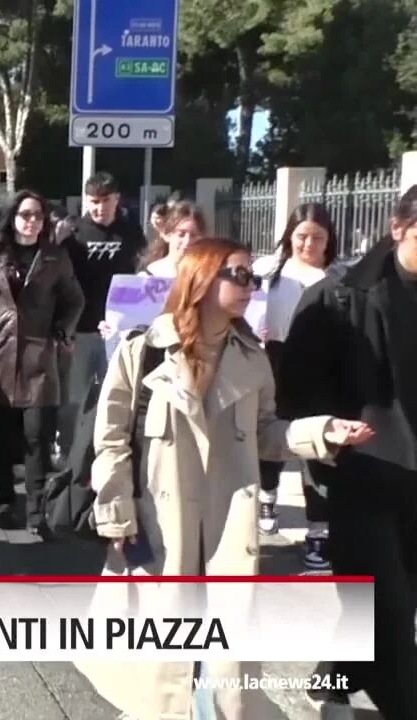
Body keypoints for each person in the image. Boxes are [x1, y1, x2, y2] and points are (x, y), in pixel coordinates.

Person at [79, 237, 373, 720]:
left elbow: (266, 435)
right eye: (236, 275)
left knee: (222, 666)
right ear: (200, 279)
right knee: (156, 668)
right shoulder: (143, 351)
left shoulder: (252, 358)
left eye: (251, 278)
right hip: (160, 527)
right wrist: (116, 515)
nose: (248, 286)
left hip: (226, 531)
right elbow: (110, 440)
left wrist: (324, 431)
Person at [279, 186, 417, 719]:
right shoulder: (339, 296)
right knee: (390, 615)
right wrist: (331, 444)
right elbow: (296, 389)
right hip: (363, 478)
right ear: (398, 227)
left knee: (386, 605)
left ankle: (330, 683)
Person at [0, 190, 84, 536]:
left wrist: (63, 331)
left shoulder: (54, 258)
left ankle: (36, 511)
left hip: (39, 353)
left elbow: (75, 300)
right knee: (2, 434)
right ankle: (3, 501)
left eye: (38, 216)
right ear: (13, 217)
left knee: (37, 436)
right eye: (25, 214)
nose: (31, 221)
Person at [254, 203, 338, 573]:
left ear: (328, 240)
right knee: (271, 435)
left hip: (319, 370)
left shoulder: (337, 279)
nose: (308, 244)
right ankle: (267, 497)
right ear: (289, 236)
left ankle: (317, 530)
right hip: (272, 361)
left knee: (317, 449)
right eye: (301, 236)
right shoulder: (268, 273)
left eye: (317, 237)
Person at [58, 172, 146, 459]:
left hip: (121, 332)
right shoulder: (74, 235)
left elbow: (143, 277)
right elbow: (62, 285)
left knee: (118, 397)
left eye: (105, 201)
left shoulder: (132, 234)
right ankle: (71, 456)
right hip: (81, 331)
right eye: (94, 201)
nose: (99, 207)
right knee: (76, 398)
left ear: (116, 199)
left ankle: (110, 454)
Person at [141, 201, 208, 277]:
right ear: (167, 235)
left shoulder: (208, 276)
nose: (187, 241)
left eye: (193, 235)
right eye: (181, 234)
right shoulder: (147, 277)